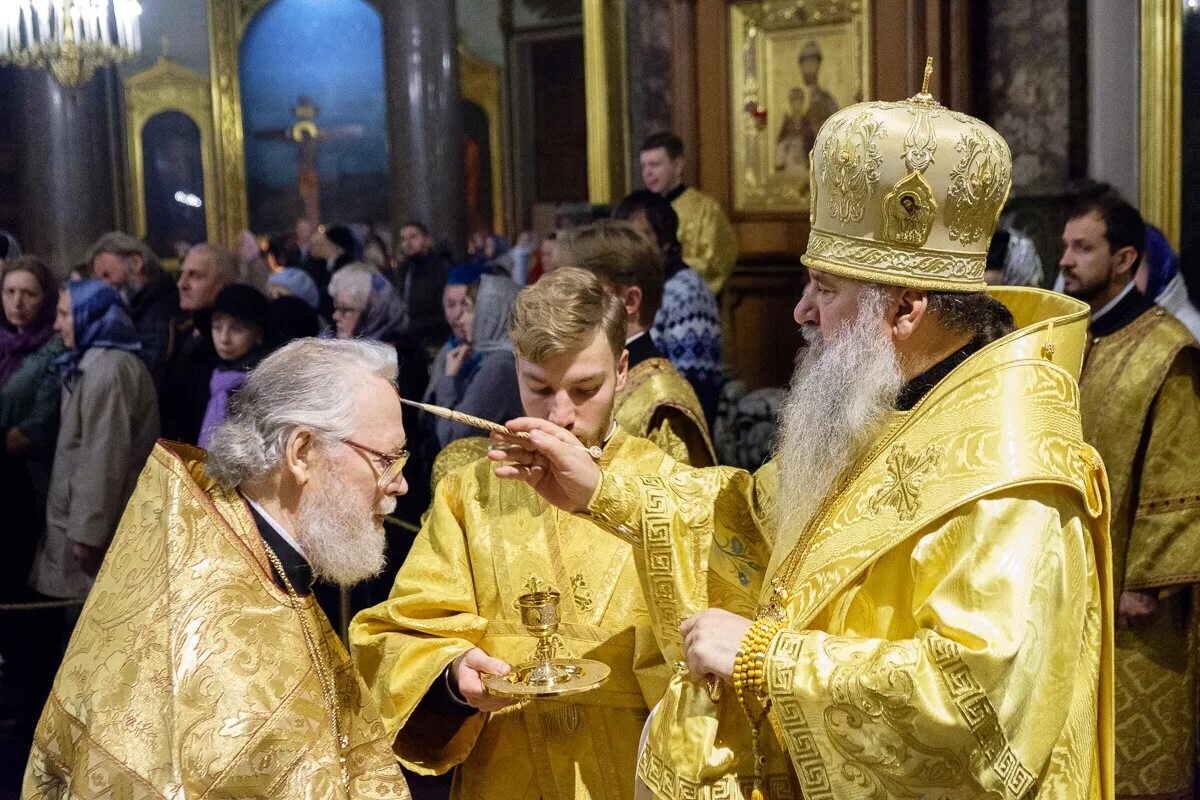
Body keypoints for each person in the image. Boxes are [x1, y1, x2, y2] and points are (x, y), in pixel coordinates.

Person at [493, 80, 1113, 799]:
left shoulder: (1013, 473)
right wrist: (603, 488)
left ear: (906, 309)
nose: (800, 310)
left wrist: (765, 659)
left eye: (823, 287)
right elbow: (753, 518)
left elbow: (981, 710)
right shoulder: (888, 406)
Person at [23, 339, 413, 798]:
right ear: (302, 452)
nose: (401, 484)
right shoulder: (206, 607)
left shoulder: (255, 551)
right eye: (387, 459)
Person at [350, 270, 679, 800]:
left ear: (622, 369)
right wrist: (454, 674)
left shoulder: (669, 490)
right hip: (506, 771)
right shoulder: (470, 493)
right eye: (540, 388)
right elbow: (400, 633)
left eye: (585, 388)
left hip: (630, 769)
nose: (561, 416)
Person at [1059, 193, 1200, 800]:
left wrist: (1145, 581)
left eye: (1081, 248)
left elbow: (1180, 470)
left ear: (1124, 259)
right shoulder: (1066, 337)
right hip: (1066, 578)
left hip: (1131, 596)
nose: (1064, 260)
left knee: (1133, 759)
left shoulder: (1167, 352)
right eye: (1064, 245)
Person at [30, 279, 158, 601]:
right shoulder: (94, 363)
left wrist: (88, 536)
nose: (57, 325)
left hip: (94, 543)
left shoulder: (108, 370)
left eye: (64, 315)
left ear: (90, 314)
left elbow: (103, 456)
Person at [556, 226, 715, 466]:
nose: (561, 305)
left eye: (579, 293)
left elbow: (683, 498)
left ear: (629, 300)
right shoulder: (594, 378)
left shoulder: (662, 402)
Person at [0, 257, 63, 708]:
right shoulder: (5, 345)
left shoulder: (53, 351)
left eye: (29, 294)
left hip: (28, 484)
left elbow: (38, 427)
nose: (18, 303)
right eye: (9, 293)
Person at [614, 190, 723, 425]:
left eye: (640, 236)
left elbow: (693, 391)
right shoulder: (638, 286)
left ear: (664, 241)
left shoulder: (687, 292)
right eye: (625, 237)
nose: (630, 247)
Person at [428, 273, 522, 447]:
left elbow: (452, 438)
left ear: (491, 314)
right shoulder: (502, 358)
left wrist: (448, 378)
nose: (461, 319)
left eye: (470, 310)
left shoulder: (499, 367)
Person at [639, 132, 737, 295]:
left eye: (655, 164)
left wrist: (662, 268)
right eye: (644, 166)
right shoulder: (639, 211)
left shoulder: (705, 210)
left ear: (678, 165)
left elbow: (714, 264)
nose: (647, 172)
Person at [159, 243, 238, 444]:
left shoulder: (231, 347)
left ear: (223, 284)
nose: (181, 284)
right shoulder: (184, 331)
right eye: (181, 274)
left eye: (195, 276)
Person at [86, 231, 181, 383]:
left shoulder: (156, 310)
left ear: (136, 263)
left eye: (107, 275)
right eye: (98, 280)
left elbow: (144, 378)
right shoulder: (136, 309)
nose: (103, 286)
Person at [198, 285, 268, 448]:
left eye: (236, 329)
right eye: (217, 327)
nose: (224, 339)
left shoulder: (261, 384)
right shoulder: (211, 371)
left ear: (258, 333)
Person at [395, 221, 453, 352]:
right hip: (410, 343)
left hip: (433, 343)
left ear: (427, 240)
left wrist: (413, 327)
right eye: (403, 239)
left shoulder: (439, 270)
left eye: (413, 237)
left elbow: (445, 313)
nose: (408, 243)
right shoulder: (405, 270)